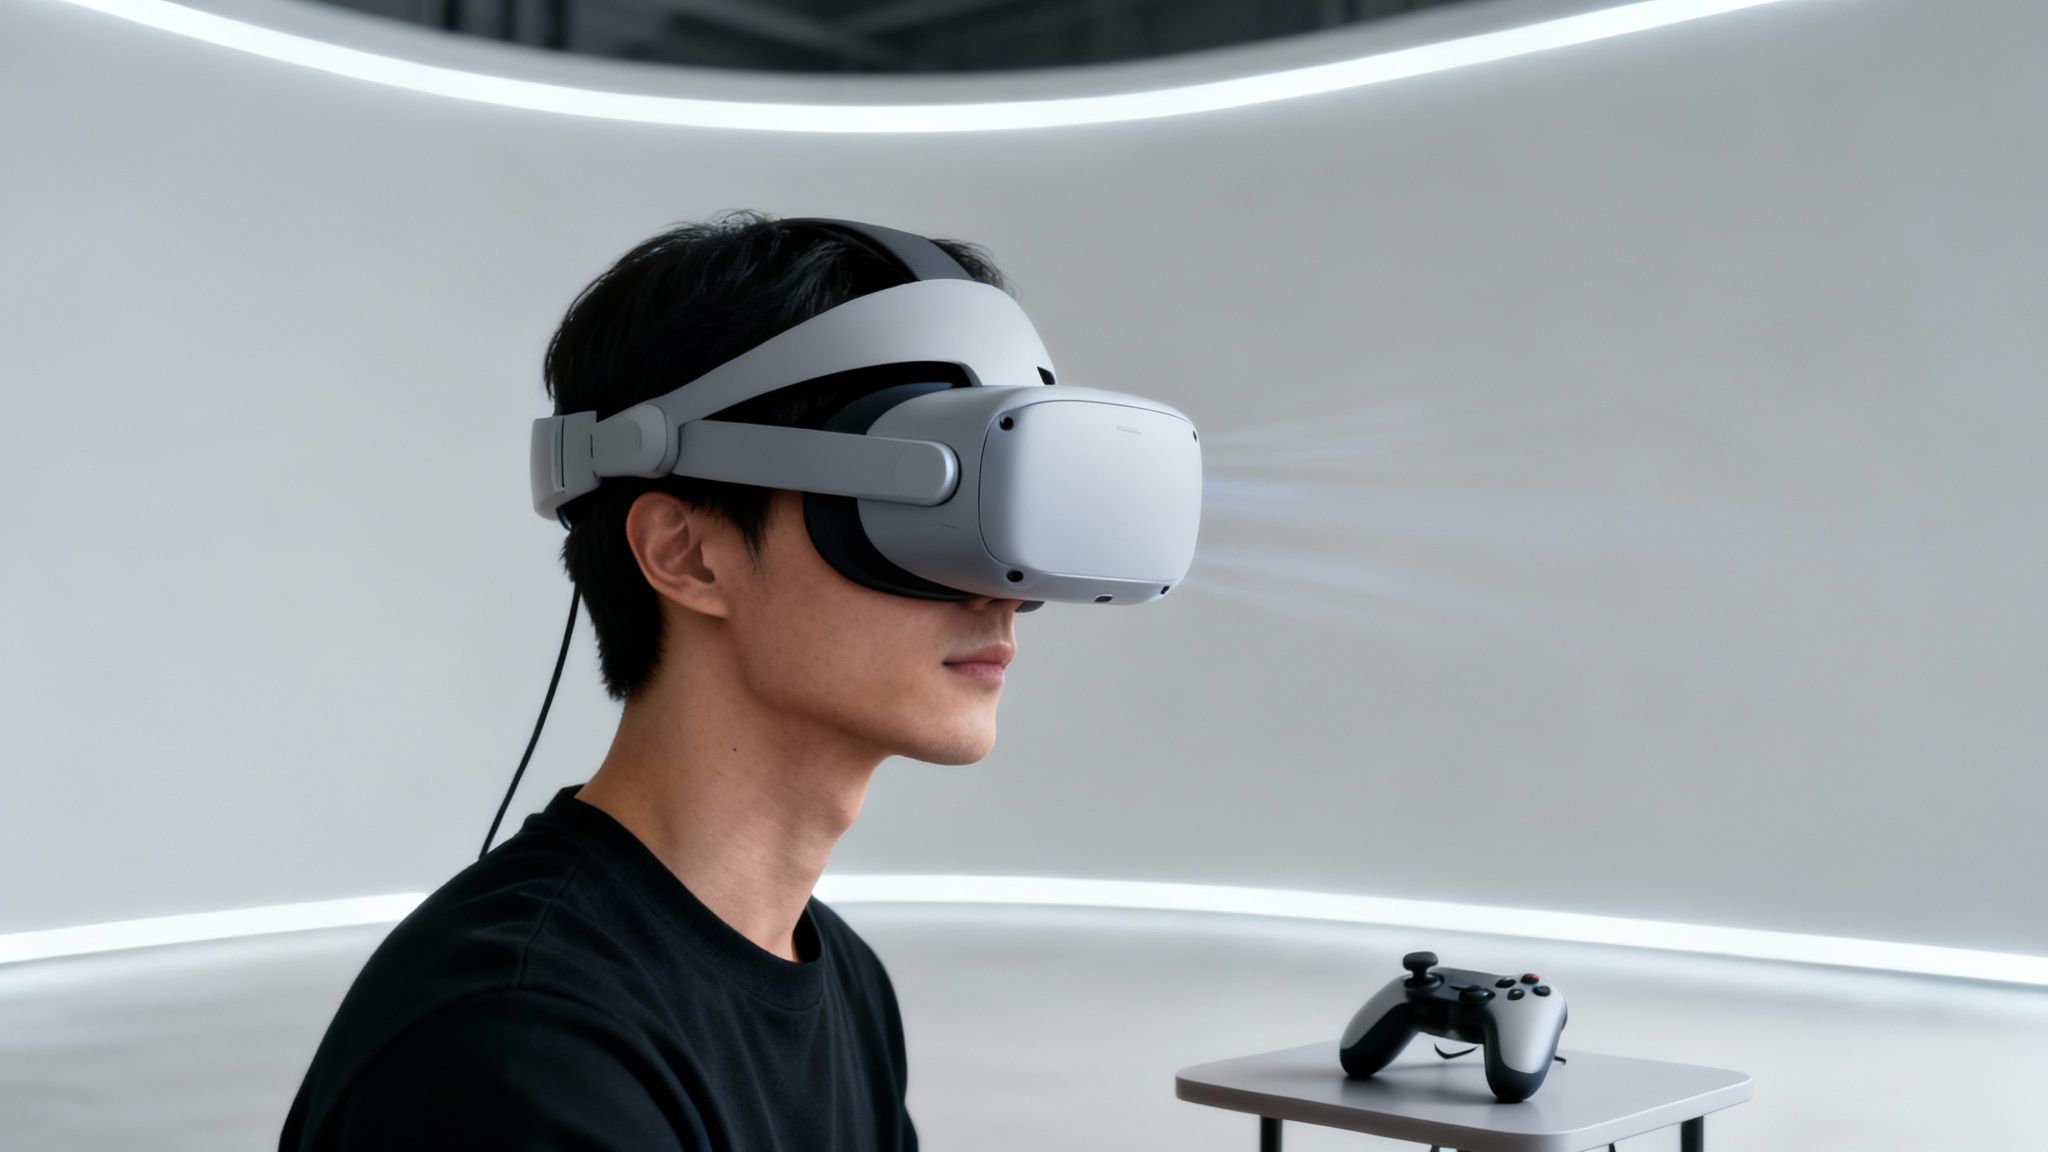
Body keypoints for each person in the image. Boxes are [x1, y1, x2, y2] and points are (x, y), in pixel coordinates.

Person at [279, 210, 1025, 1150]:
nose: (998, 584)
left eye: (1005, 515)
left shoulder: (843, 979)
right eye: (920, 510)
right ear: (687, 554)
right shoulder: (520, 1046)